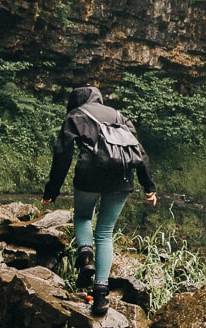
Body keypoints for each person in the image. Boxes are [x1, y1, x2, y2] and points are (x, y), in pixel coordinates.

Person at [41, 85, 157, 315]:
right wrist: (149, 186)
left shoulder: (75, 115)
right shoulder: (120, 117)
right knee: (104, 232)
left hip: (90, 175)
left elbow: (62, 154)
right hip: (122, 179)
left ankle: (85, 257)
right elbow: (139, 153)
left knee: (83, 216)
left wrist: (51, 190)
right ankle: (101, 297)